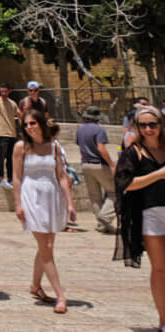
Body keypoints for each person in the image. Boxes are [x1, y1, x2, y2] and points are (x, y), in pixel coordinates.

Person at [13, 109, 76, 314]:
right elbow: (16, 177)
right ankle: (61, 295)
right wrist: (18, 204)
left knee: (46, 245)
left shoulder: (54, 147)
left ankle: (35, 285)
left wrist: (69, 204)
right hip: (31, 197)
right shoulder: (21, 147)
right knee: (46, 247)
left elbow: (61, 176)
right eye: (26, 125)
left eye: (32, 123)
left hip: (52, 197)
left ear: (40, 124)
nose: (29, 128)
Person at [114, 105, 165, 330]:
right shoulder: (133, 152)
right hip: (150, 213)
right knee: (160, 268)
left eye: (152, 124)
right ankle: (164, 320)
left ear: (161, 125)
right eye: (142, 125)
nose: (147, 129)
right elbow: (126, 184)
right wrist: (158, 175)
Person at [77, 105, 116, 234]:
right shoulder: (99, 130)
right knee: (114, 192)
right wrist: (111, 164)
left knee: (95, 196)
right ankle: (104, 217)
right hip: (99, 164)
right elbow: (101, 148)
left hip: (85, 164)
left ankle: (101, 225)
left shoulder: (80, 130)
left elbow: (81, 149)